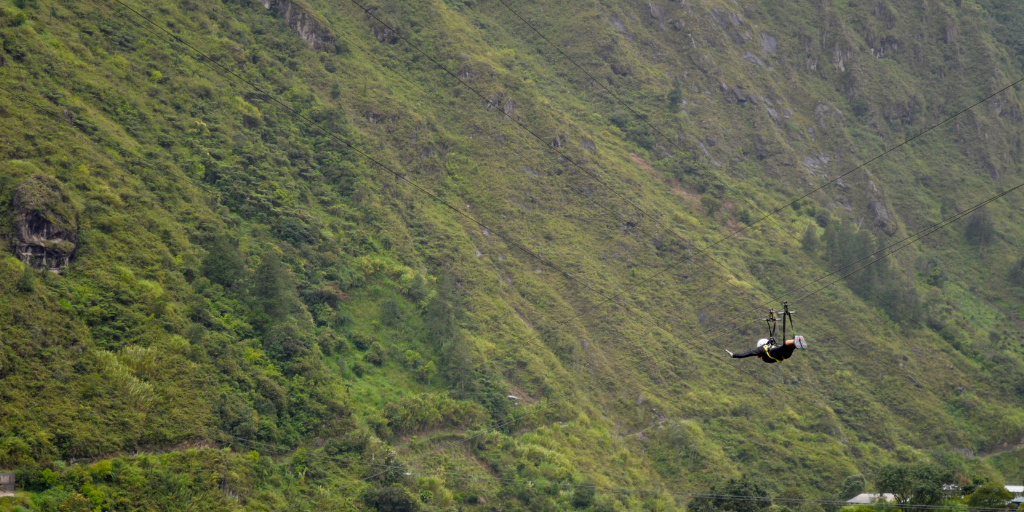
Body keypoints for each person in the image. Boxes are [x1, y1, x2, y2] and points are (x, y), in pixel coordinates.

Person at [727, 335, 806, 363]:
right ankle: (795, 342)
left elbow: (749, 353)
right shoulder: (773, 344)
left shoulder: (762, 348)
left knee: (785, 348)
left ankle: (794, 343)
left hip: (774, 354)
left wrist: (734, 355)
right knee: (786, 347)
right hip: (781, 355)